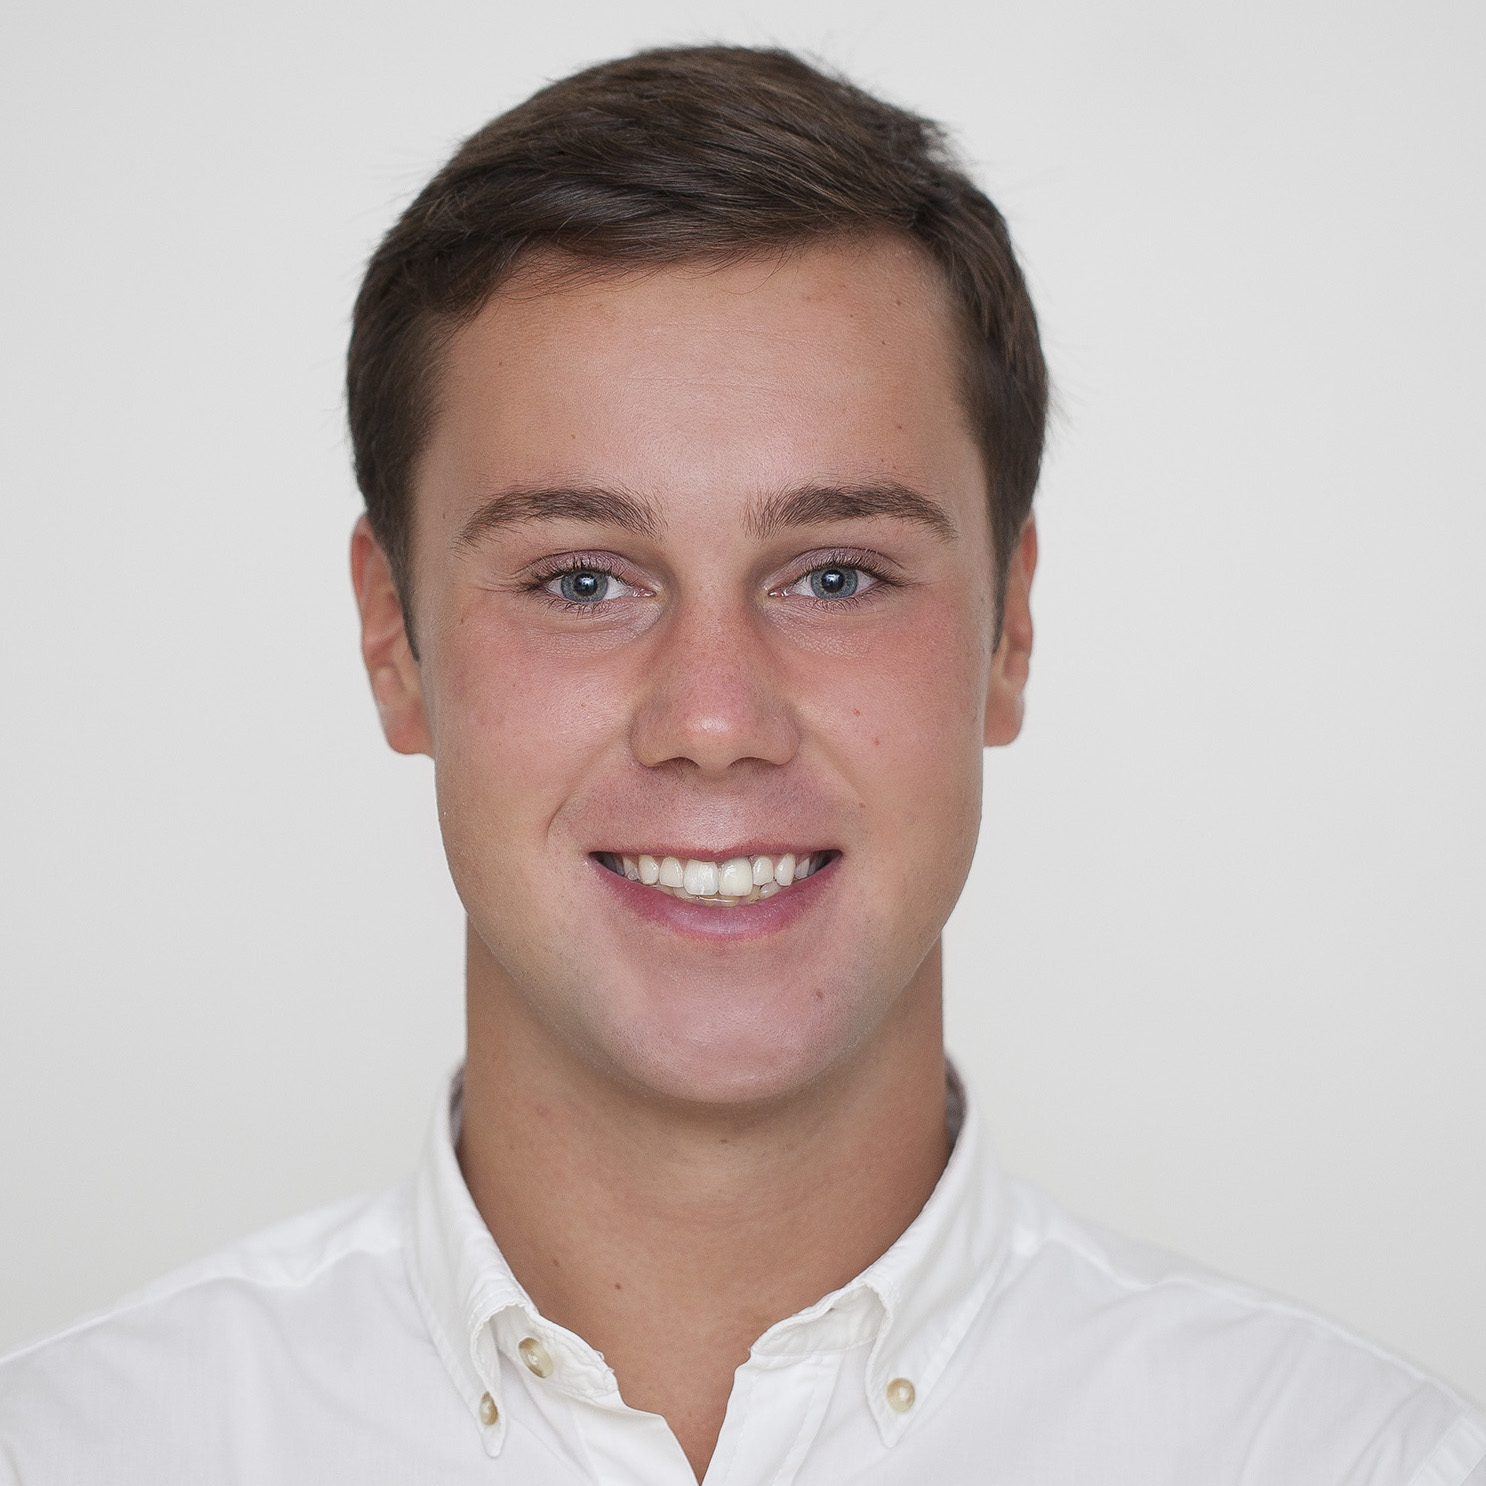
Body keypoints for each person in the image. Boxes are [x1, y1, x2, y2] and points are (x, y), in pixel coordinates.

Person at [0, 43, 1481, 1486]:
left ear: (1008, 629)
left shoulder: (1355, 1459)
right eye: (582, 579)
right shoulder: (70, 1452)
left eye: (834, 575)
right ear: (393, 640)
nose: (713, 718)